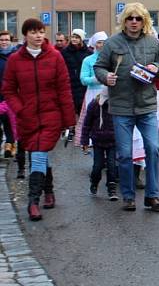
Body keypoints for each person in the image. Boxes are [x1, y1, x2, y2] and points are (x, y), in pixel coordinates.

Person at [94, 3, 159, 212]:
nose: (134, 22)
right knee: (125, 154)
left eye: (138, 18)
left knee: (153, 149)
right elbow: (99, 66)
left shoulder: (152, 43)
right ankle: (128, 195)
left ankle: (152, 196)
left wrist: (157, 68)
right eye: (130, 18)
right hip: (121, 107)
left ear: (144, 21)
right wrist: (105, 76)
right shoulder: (112, 43)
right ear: (124, 21)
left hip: (146, 105)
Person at [2, 18, 75, 220]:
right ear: (26, 35)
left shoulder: (55, 57)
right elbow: (8, 89)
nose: (38, 36)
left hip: (51, 115)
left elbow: (64, 89)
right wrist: (19, 109)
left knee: (39, 154)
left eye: (41, 31)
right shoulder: (15, 60)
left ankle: (33, 201)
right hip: (28, 116)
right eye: (34, 32)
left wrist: (69, 120)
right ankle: (49, 191)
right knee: (39, 155)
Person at [79, 89, 118, 200]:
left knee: (111, 165)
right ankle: (94, 182)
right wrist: (84, 141)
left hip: (112, 141)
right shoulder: (94, 105)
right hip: (98, 141)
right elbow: (86, 124)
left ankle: (112, 189)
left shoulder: (116, 106)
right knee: (98, 166)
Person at [73, 31, 108, 149]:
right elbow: (83, 79)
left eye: (104, 42)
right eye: (99, 42)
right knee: (94, 119)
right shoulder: (88, 60)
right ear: (94, 44)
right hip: (93, 93)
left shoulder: (111, 58)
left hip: (108, 92)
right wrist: (96, 79)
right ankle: (93, 143)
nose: (102, 45)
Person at [61, 29, 91, 139]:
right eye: (73, 37)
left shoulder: (88, 52)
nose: (74, 39)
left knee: (82, 107)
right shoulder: (65, 52)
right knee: (71, 107)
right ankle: (71, 129)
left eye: (77, 37)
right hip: (70, 84)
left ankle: (82, 130)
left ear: (81, 39)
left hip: (83, 84)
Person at [0, 30, 19, 159]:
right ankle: (8, 144)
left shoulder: (15, 56)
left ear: (11, 41)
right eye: (2, 40)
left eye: (6, 40)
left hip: (12, 94)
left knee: (9, 120)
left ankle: (10, 144)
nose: (4, 42)